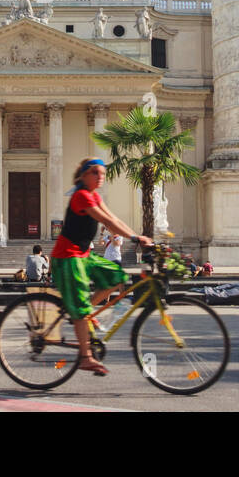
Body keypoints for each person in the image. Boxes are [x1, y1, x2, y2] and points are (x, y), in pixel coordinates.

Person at [50, 157, 151, 377]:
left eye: (103, 173)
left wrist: (138, 236)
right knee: (80, 307)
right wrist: (135, 237)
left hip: (83, 255)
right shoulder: (81, 195)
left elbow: (114, 218)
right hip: (67, 257)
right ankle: (85, 357)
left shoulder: (94, 195)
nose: (100, 177)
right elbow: (107, 222)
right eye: (95, 172)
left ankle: (85, 312)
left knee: (117, 276)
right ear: (84, 175)